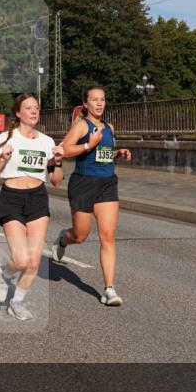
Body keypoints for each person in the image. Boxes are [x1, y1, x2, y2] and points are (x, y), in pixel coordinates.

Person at [0, 93, 63, 321]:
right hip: (12, 199)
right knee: (21, 259)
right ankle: (5, 274)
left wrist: (56, 161)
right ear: (18, 113)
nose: (34, 111)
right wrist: (2, 158)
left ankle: (16, 303)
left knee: (34, 261)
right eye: (29, 108)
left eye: (36, 107)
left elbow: (57, 180)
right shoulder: (6, 139)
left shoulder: (47, 142)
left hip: (38, 198)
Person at [52, 86, 132, 306]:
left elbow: (104, 154)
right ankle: (63, 238)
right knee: (80, 235)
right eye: (94, 100)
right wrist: (89, 143)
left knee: (108, 236)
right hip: (83, 183)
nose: (99, 103)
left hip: (107, 183)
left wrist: (119, 153)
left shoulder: (109, 128)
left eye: (103, 99)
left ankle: (109, 290)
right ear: (86, 104)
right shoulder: (81, 126)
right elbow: (64, 150)